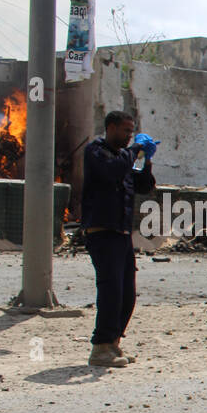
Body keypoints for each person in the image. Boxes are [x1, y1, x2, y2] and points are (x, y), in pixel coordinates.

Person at [81, 110, 156, 367]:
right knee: (111, 289)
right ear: (110, 128)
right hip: (102, 232)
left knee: (126, 293)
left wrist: (145, 161)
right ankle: (100, 347)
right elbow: (112, 171)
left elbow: (143, 186)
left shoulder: (127, 158)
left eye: (131, 132)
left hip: (122, 233)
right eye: (125, 131)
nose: (128, 137)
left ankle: (113, 344)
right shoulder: (96, 152)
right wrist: (135, 150)